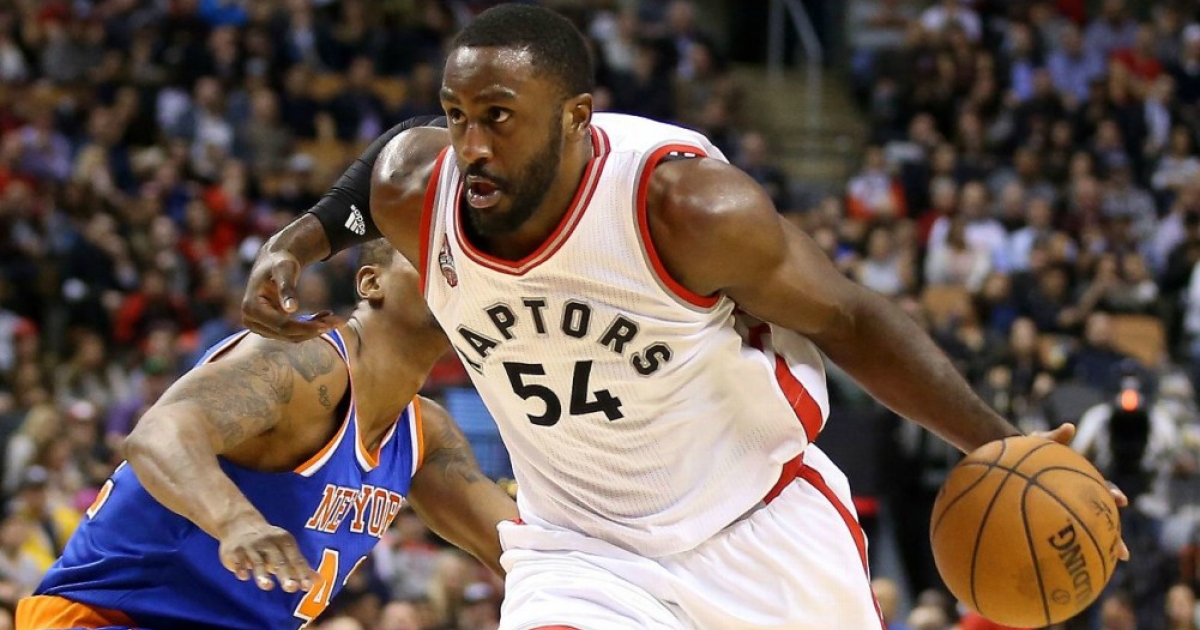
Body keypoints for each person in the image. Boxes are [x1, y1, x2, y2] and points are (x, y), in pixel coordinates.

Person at [241, 5, 1128, 629]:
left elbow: (852, 321)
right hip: (581, 553)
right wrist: (296, 242)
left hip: (757, 528)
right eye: (457, 116)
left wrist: (1003, 445)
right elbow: (377, 175)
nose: (471, 145)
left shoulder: (685, 209)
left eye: (499, 118)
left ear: (577, 118)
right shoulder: (418, 189)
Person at [17, 239, 518, 630]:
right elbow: (159, 434)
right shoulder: (303, 363)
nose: (458, 271)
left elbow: (527, 553)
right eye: (434, 256)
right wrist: (237, 521)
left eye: (474, 265)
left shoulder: (424, 434)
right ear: (371, 282)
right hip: (102, 618)